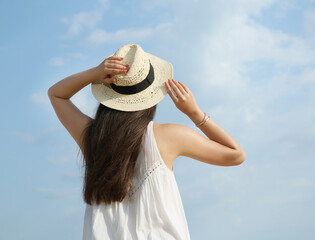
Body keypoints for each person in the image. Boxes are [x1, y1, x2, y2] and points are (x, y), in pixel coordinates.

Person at [48, 44, 246, 240]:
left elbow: (56, 94)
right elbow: (236, 154)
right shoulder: (168, 136)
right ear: (150, 95)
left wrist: (95, 72)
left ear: (108, 94)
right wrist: (195, 113)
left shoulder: (92, 137)